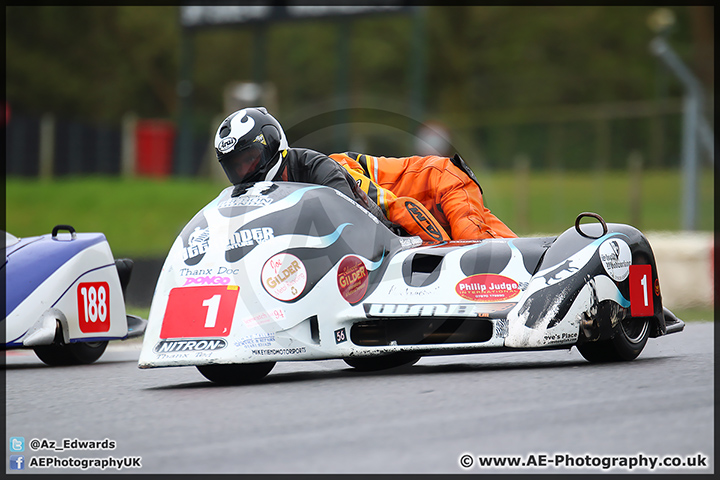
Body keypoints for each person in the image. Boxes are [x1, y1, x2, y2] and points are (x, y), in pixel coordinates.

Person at [214, 107, 513, 242]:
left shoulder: (325, 170)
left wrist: (440, 255)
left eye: (250, 160)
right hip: (415, 205)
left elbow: (398, 210)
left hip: (440, 183)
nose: (245, 172)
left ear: (272, 145)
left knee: (474, 248)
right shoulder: (267, 194)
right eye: (235, 166)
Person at [329, 152, 516, 240]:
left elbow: (399, 209)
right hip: (430, 207)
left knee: (474, 243)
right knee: (518, 249)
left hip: (444, 181)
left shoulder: (333, 170)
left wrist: (443, 251)